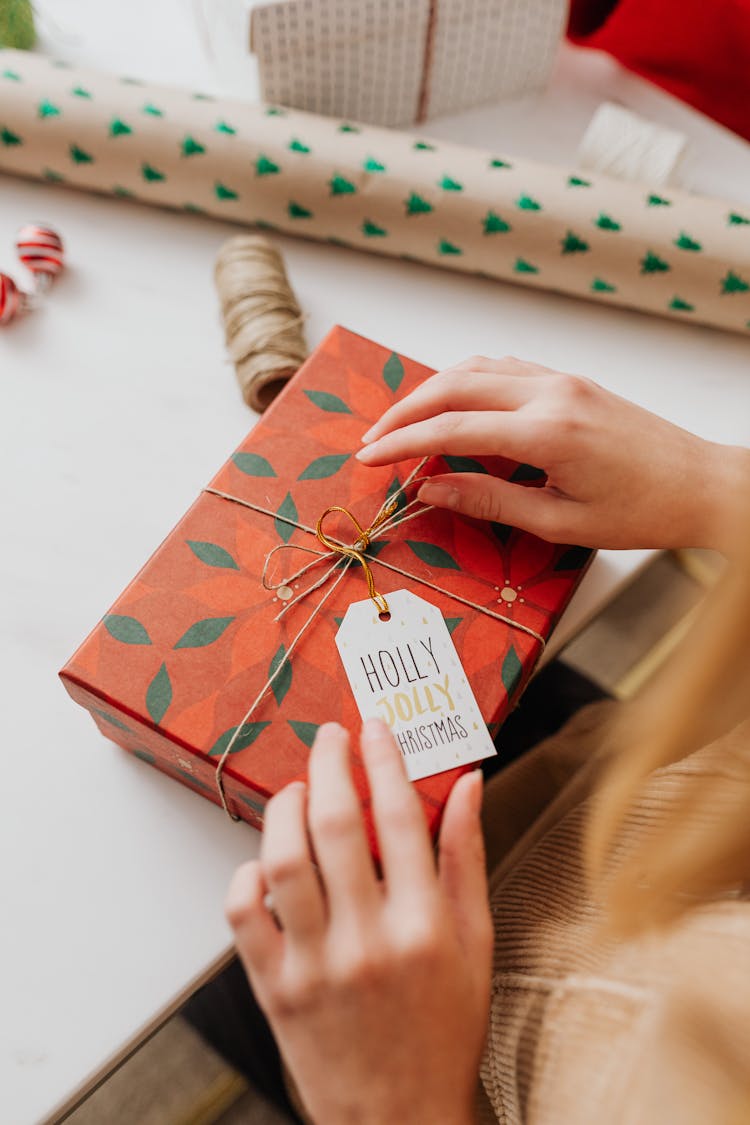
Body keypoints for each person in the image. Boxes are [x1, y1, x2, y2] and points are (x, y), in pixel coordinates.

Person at [224, 357, 750, 1124]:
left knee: (220, 970)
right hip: (590, 777)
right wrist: (719, 484)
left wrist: (402, 1104)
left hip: (405, 1040)